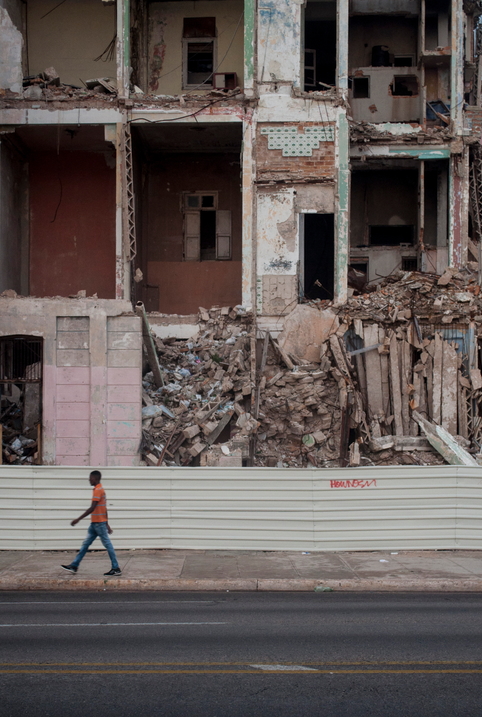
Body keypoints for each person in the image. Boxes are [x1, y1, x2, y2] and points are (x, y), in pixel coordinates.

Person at [61, 470, 121, 576]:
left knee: (108, 545)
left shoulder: (98, 490)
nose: (89, 479)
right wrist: (107, 523)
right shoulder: (100, 489)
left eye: (90, 478)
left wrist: (78, 519)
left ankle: (116, 568)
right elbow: (104, 508)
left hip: (99, 524)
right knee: (85, 545)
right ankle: (74, 565)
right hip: (95, 524)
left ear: (95, 478)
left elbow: (92, 508)